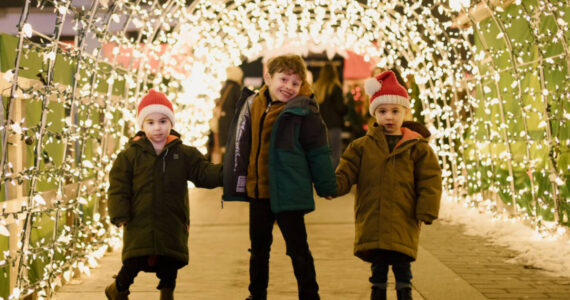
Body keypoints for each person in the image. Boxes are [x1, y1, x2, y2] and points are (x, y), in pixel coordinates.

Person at [222, 54, 337, 300]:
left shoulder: (303, 111)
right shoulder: (254, 105)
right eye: (283, 79)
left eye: (295, 83)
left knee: (298, 250)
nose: (288, 87)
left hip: (289, 193)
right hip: (259, 192)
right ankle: (257, 294)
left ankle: (309, 294)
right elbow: (244, 144)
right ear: (268, 78)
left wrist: (326, 184)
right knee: (259, 250)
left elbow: (318, 151)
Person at [105, 89, 223, 300]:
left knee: (170, 260)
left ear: (171, 123)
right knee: (134, 260)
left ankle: (167, 293)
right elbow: (118, 186)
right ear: (142, 125)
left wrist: (227, 172)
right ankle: (119, 288)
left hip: (171, 218)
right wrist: (119, 213)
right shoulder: (130, 156)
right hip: (140, 220)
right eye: (150, 122)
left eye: (162, 121)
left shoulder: (183, 154)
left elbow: (204, 173)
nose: (157, 127)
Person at [334, 71, 441, 300]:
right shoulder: (361, 147)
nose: (389, 117)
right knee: (378, 265)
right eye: (382, 111)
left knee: (403, 265)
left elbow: (430, 180)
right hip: (373, 217)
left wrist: (427, 209)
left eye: (395, 111)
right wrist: (331, 186)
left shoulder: (417, 148)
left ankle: (404, 292)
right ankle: (378, 292)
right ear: (374, 113)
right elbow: (346, 171)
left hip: (404, 217)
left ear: (405, 112)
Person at [313, 62, 347, 167]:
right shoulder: (335, 87)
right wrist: (347, 107)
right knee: (335, 155)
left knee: (322, 154)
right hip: (334, 126)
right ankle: (333, 180)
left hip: (319, 126)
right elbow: (340, 108)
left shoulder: (316, 87)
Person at [211, 66, 244, 163]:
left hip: (222, 122)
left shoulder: (225, 87)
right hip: (230, 122)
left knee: (222, 148)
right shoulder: (236, 88)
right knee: (229, 150)